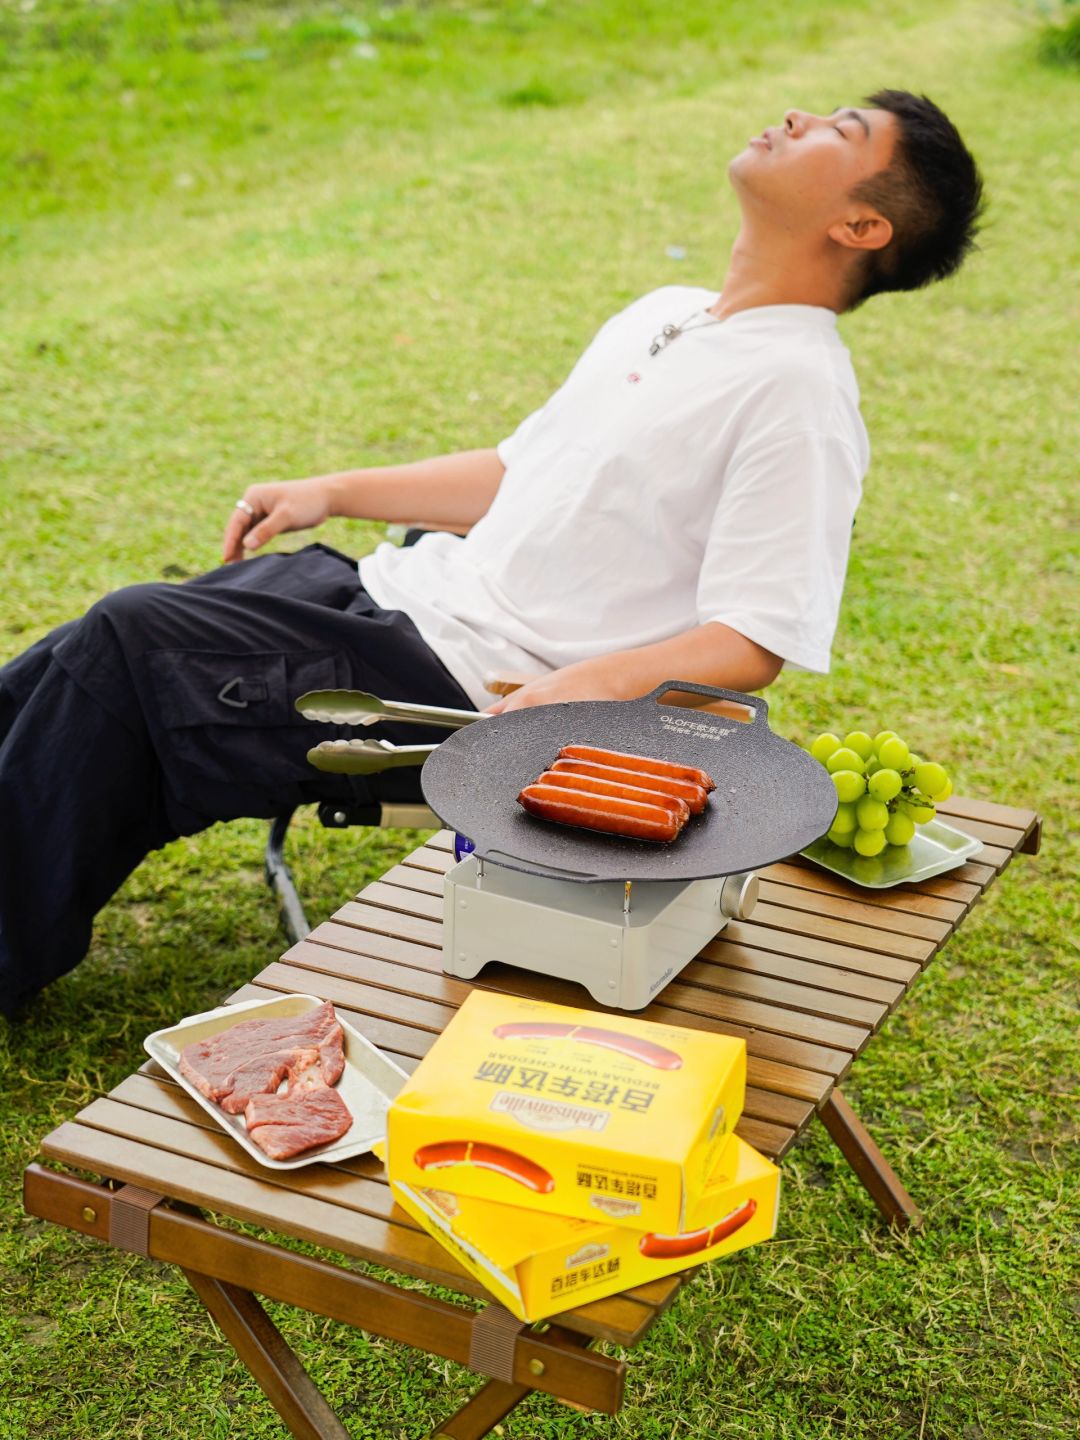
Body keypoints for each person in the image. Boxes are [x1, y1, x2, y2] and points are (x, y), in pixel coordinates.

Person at [0, 90, 984, 1016]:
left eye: (840, 130)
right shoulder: (668, 312)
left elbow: (754, 638)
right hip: (395, 591)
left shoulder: (800, 393)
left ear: (862, 226)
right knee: (83, 660)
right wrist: (331, 491)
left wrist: (580, 686)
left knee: (135, 637)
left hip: (463, 684)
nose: (798, 116)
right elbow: (520, 471)